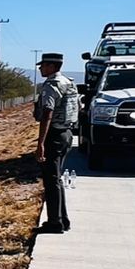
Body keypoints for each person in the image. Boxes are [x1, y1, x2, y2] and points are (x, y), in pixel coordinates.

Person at [33, 51, 78, 233]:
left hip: (55, 135)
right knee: (56, 179)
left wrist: (41, 143)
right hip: (67, 133)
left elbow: (47, 114)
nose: (41, 69)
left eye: (43, 66)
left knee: (51, 181)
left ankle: (54, 223)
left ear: (52, 66)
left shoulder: (52, 85)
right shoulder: (69, 83)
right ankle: (62, 219)